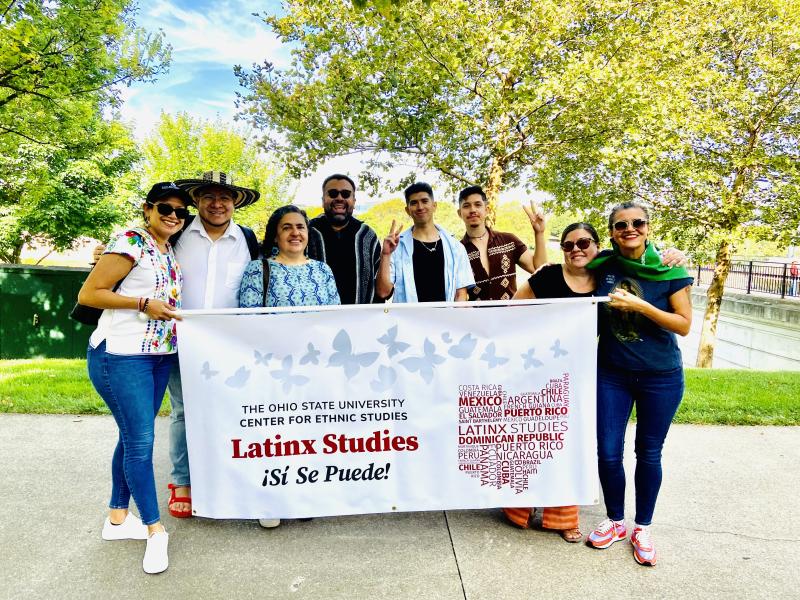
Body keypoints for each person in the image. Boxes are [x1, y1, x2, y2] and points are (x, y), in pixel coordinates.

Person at [92, 171, 261, 521]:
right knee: (184, 410)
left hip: (230, 342)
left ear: (236, 203)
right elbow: (134, 255)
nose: (217, 204)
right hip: (177, 339)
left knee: (230, 410)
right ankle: (182, 481)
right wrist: (101, 254)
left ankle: (223, 477)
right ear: (196, 202)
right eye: (209, 197)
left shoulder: (247, 239)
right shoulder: (177, 231)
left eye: (225, 198)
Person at [78, 182, 190, 574]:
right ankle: (154, 530)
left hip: (158, 356)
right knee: (141, 441)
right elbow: (90, 293)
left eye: (181, 211)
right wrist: (142, 303)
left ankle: (116, 519)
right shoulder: (130, 241)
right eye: (166, 208)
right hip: (121, 356)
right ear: (148, 209)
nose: (174, 215)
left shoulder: (167, 247)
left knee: (132, 437)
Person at [584, 201, 693, 567]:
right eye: (620, 225)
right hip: (612, 373)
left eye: (637, 223)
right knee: (608, 451)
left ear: (648, 227)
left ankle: (642, 527)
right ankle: (615, 521)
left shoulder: (669, 267)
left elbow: (683, 324)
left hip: (660, 377)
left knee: (648, 452)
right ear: (612, 232)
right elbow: (569, 267)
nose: (629, 229)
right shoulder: (604, 266)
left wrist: (641, 307)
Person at [238, 205, 340, 527]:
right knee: (273, 435)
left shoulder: (322, 271)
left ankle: (303, 495)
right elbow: (248, 319)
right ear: (275, 234)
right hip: (274, 368)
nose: (295, 233)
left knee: (309, 435)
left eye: (301, 227)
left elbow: (335, 320)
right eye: (287, 227)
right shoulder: (259, 270)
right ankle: (270, 501)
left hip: (313, 368)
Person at [507, 222, 601, 542]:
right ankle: (521, 507)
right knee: (533, 439)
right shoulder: (546, 276)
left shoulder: (608, 279)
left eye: (584, 243)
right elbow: (513, 311)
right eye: (568, 245)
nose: (576, 249)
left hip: (579, 375)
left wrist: (673, 255)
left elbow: (641, 257)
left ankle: (563, 518)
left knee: (568, 445)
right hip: (538, 371)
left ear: (597, 246)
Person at [376, 182, 474, 302]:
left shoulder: (455, 247)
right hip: (408, 319)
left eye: (424, 201)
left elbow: (460, 295)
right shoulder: (396, 247)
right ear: (407, 210)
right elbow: (382, 292)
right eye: (414, 203)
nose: (420, 207)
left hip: (446, 318)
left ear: (434, 206)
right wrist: (385, 255)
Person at [457, 185, 547, 301]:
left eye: (478, 205)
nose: (473, 210)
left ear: (487, 210)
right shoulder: (458, 251)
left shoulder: (509, 241)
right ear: (460, 213)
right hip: (477, 317)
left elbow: (539, 270)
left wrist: (539, 233)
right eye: (466, 206)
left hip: (510, 316)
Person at [307, 174, 383, 304]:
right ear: (323, 199)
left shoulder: (368, 236)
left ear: (353, 200)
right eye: (332, 193)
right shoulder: (307, 232)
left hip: (362, 319)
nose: (339, 198)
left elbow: (381, 286)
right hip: (316, 319)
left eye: (346, 194)